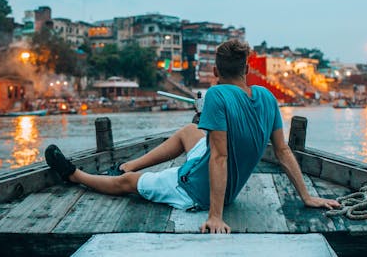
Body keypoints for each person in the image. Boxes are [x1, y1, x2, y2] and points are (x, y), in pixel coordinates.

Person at [45, 39, 340, 234]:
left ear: (214, 71)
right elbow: (283, 151)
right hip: (228, 186)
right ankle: (129, 164)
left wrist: (215, 215)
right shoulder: (265, 96)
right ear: (247, 69)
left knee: (128, 185)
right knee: (190, 131)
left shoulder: (216, 95)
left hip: (192, 188)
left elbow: (221, 157)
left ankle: (76, 176)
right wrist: (307, 196)